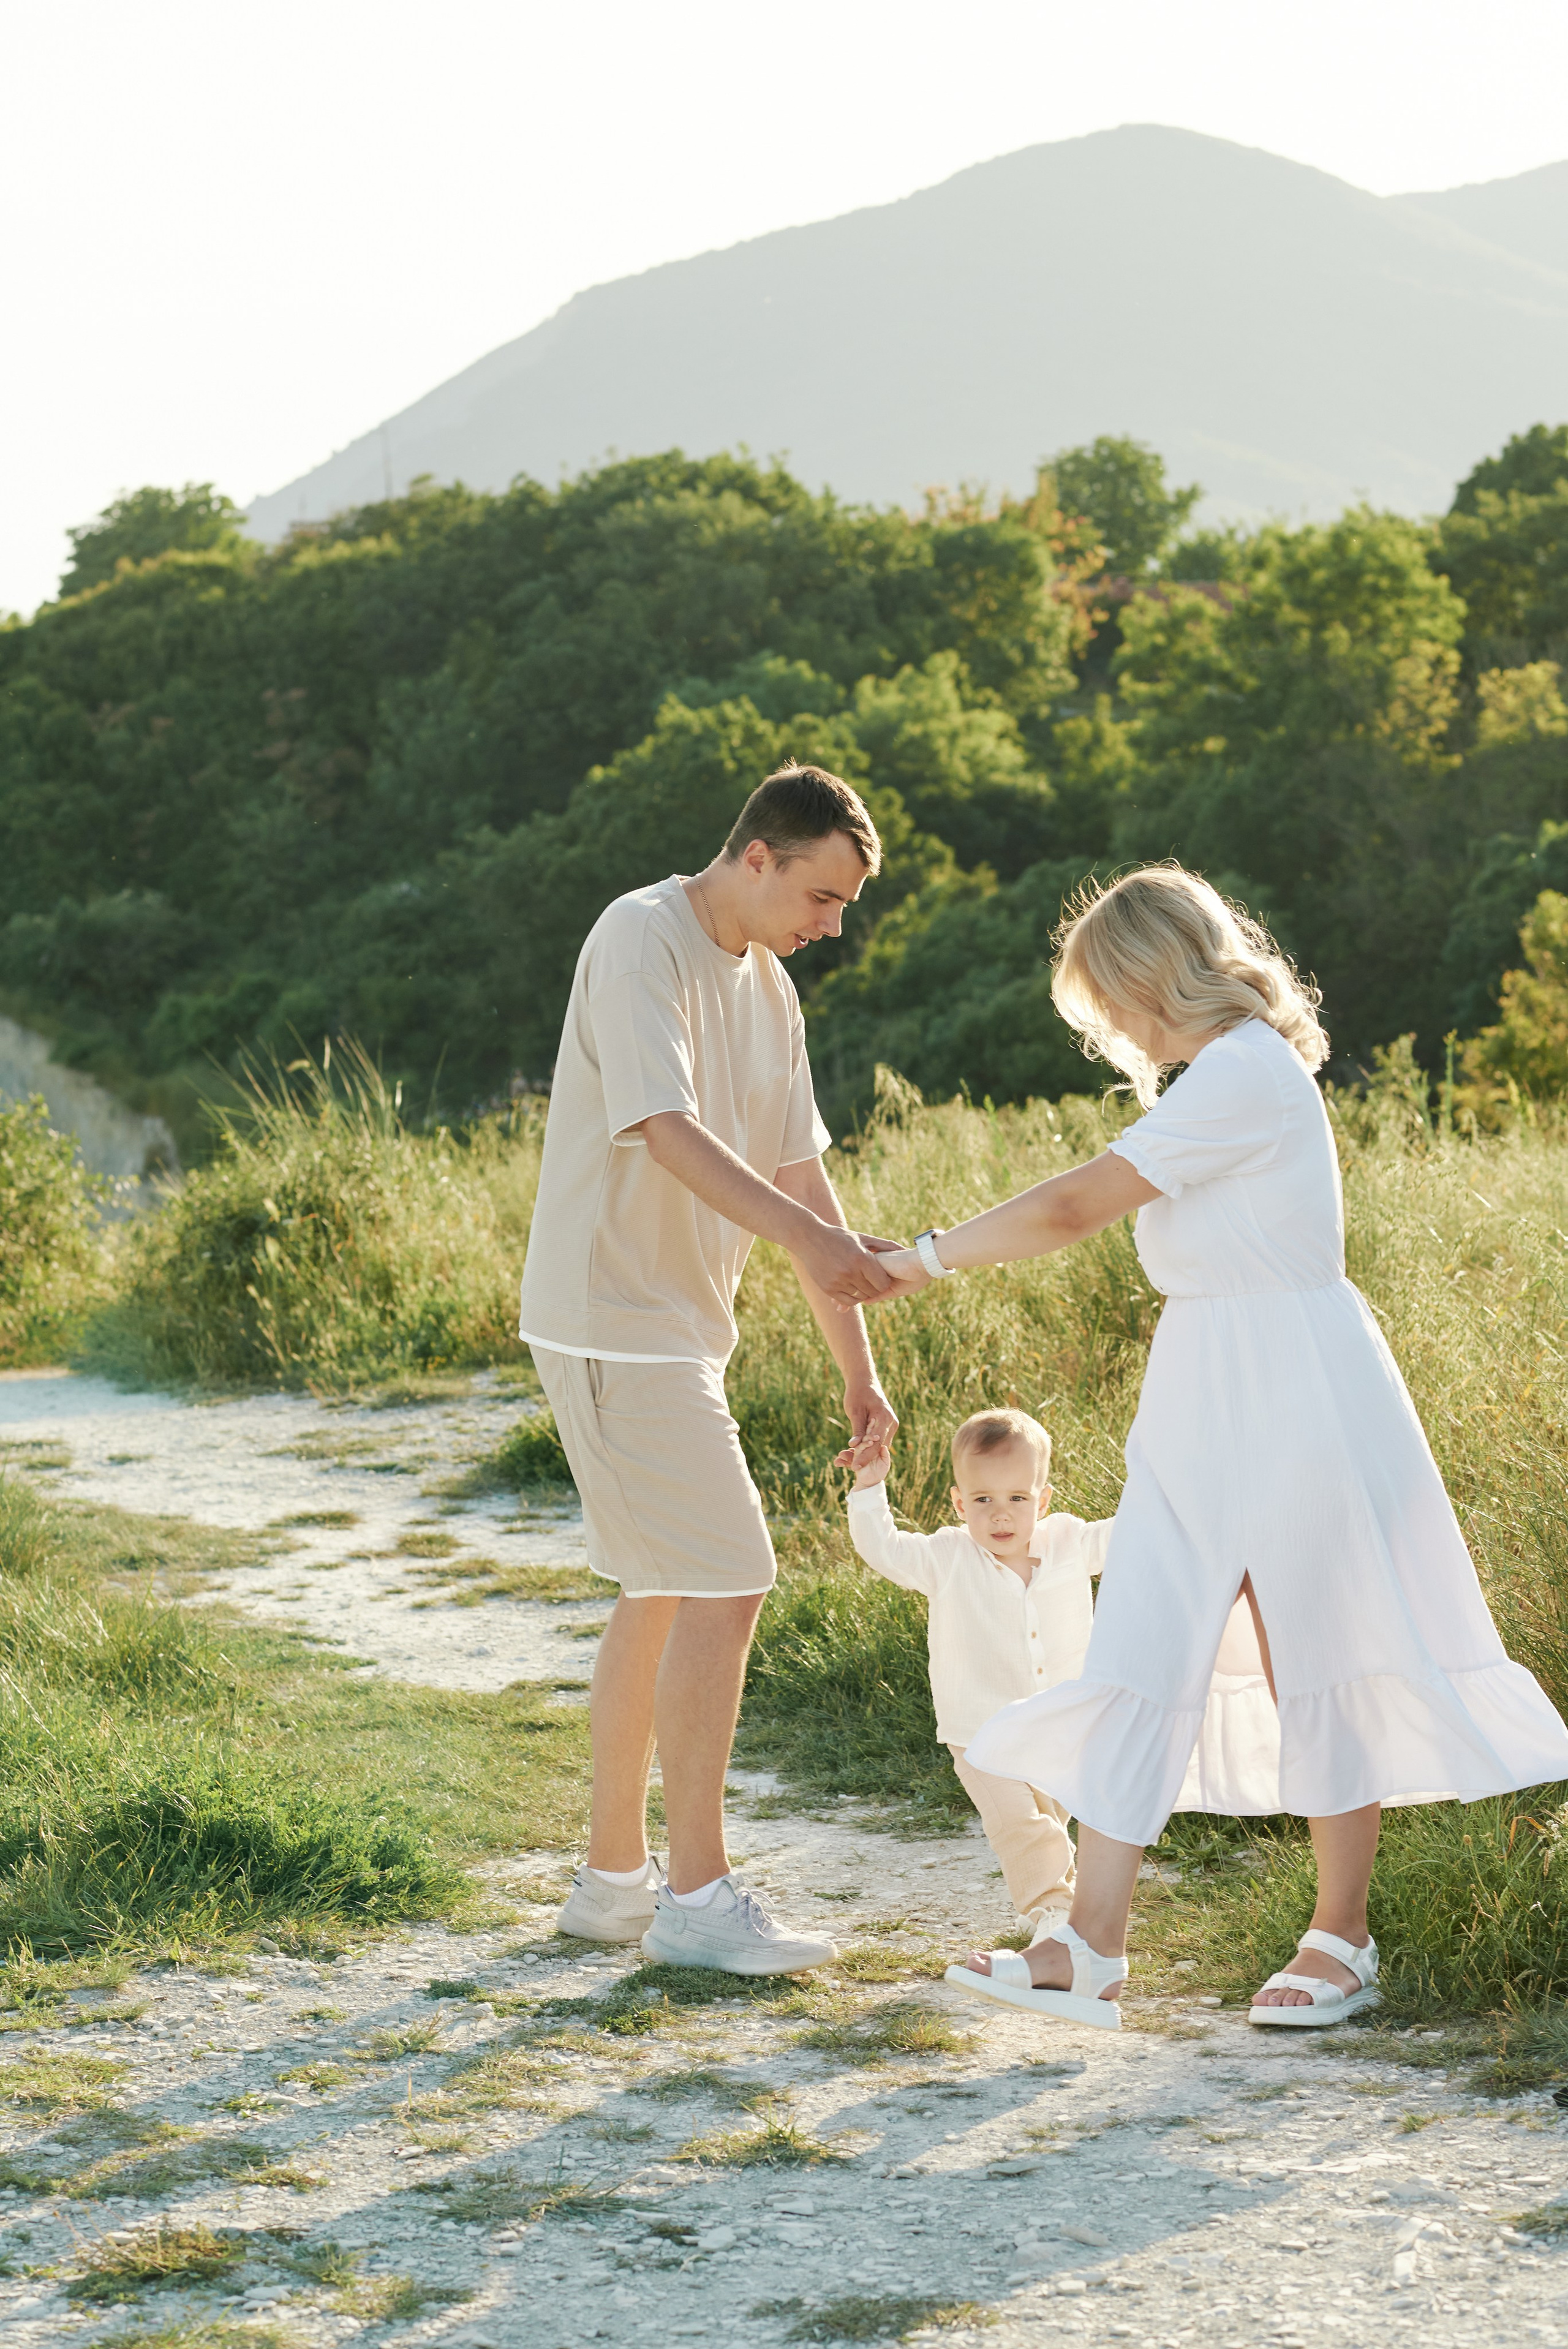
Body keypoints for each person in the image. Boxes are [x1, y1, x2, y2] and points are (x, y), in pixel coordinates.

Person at [864, 865, 1568, 2030]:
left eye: (1110, 1001)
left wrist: (922, 1257)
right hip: (1204, 1384)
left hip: (1294, 1384)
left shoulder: (1247, 1073)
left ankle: (1342, 1939)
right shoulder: (1212, 1083)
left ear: (1151, 975)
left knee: (1319, 1645)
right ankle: (1090, 1948)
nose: (1113, 1031)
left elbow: (1071, 1207)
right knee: (1144, 1629)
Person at [519, 763, 900, 1976]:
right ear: (756, 856)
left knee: (665, 1587)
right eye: (822, 895)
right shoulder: (641, 939)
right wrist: (810, 1245)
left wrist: (860, 1369)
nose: (830, 924)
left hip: (673, 1327)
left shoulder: (771, 991)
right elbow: (661, 1128)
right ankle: (694, 1899)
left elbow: (799, 1180)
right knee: (727, 1573)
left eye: (841, 906)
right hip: (609, 1319)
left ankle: (611, 1884)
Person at [845, 1406, 1109, 1939]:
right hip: (979, 1730)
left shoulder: (1069, 1542)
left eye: (1018, 1498)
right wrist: (870, 1488)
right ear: (959, 1502)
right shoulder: (948, 1556)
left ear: (1045, 1499)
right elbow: (886, 1550)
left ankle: (1061, 1900)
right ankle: (1053, 1911)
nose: (1001, 1515)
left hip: (1059, 1721)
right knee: (1019, 1822)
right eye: (983, 1500)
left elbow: (1139, 1536)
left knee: (1051, 1819)